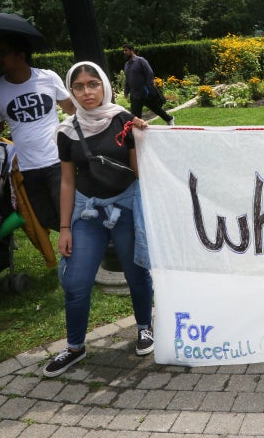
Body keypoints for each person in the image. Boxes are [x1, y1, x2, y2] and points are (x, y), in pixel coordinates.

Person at [43, 61, 154, 378]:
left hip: (125, 205)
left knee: (136, 271)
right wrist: (65, 228)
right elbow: (67, 181)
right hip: (87, 210)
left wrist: (145, 138)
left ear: (104, 85)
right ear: (71, 91)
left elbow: (139, 171)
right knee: (76, 282)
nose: (87, 91)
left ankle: (145, 328)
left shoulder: (123, 120)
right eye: (79, 86)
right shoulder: (66, 131)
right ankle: (75, 347)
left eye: (93, 84)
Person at [0, 34, 75, 231]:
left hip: (57, 161)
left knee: (67, 216)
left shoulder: (48, 78)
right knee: (46, 218)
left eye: (3, 52)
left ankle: (76, 256)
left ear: (21, 55)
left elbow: (72, 110)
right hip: (27, 167)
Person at [122, 44, 175, 126]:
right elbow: (127, 80)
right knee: (136, 116)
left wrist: (149, 87)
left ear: (132, 50)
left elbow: (149, 73)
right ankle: (139, 131)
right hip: (134, 95)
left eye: (126, 50)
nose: (124, 52)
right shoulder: (126, 65)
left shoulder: (140, 61)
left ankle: (169, 119)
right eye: (124, 50)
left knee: (156, 109)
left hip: (145, 92)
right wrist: (126, 91)